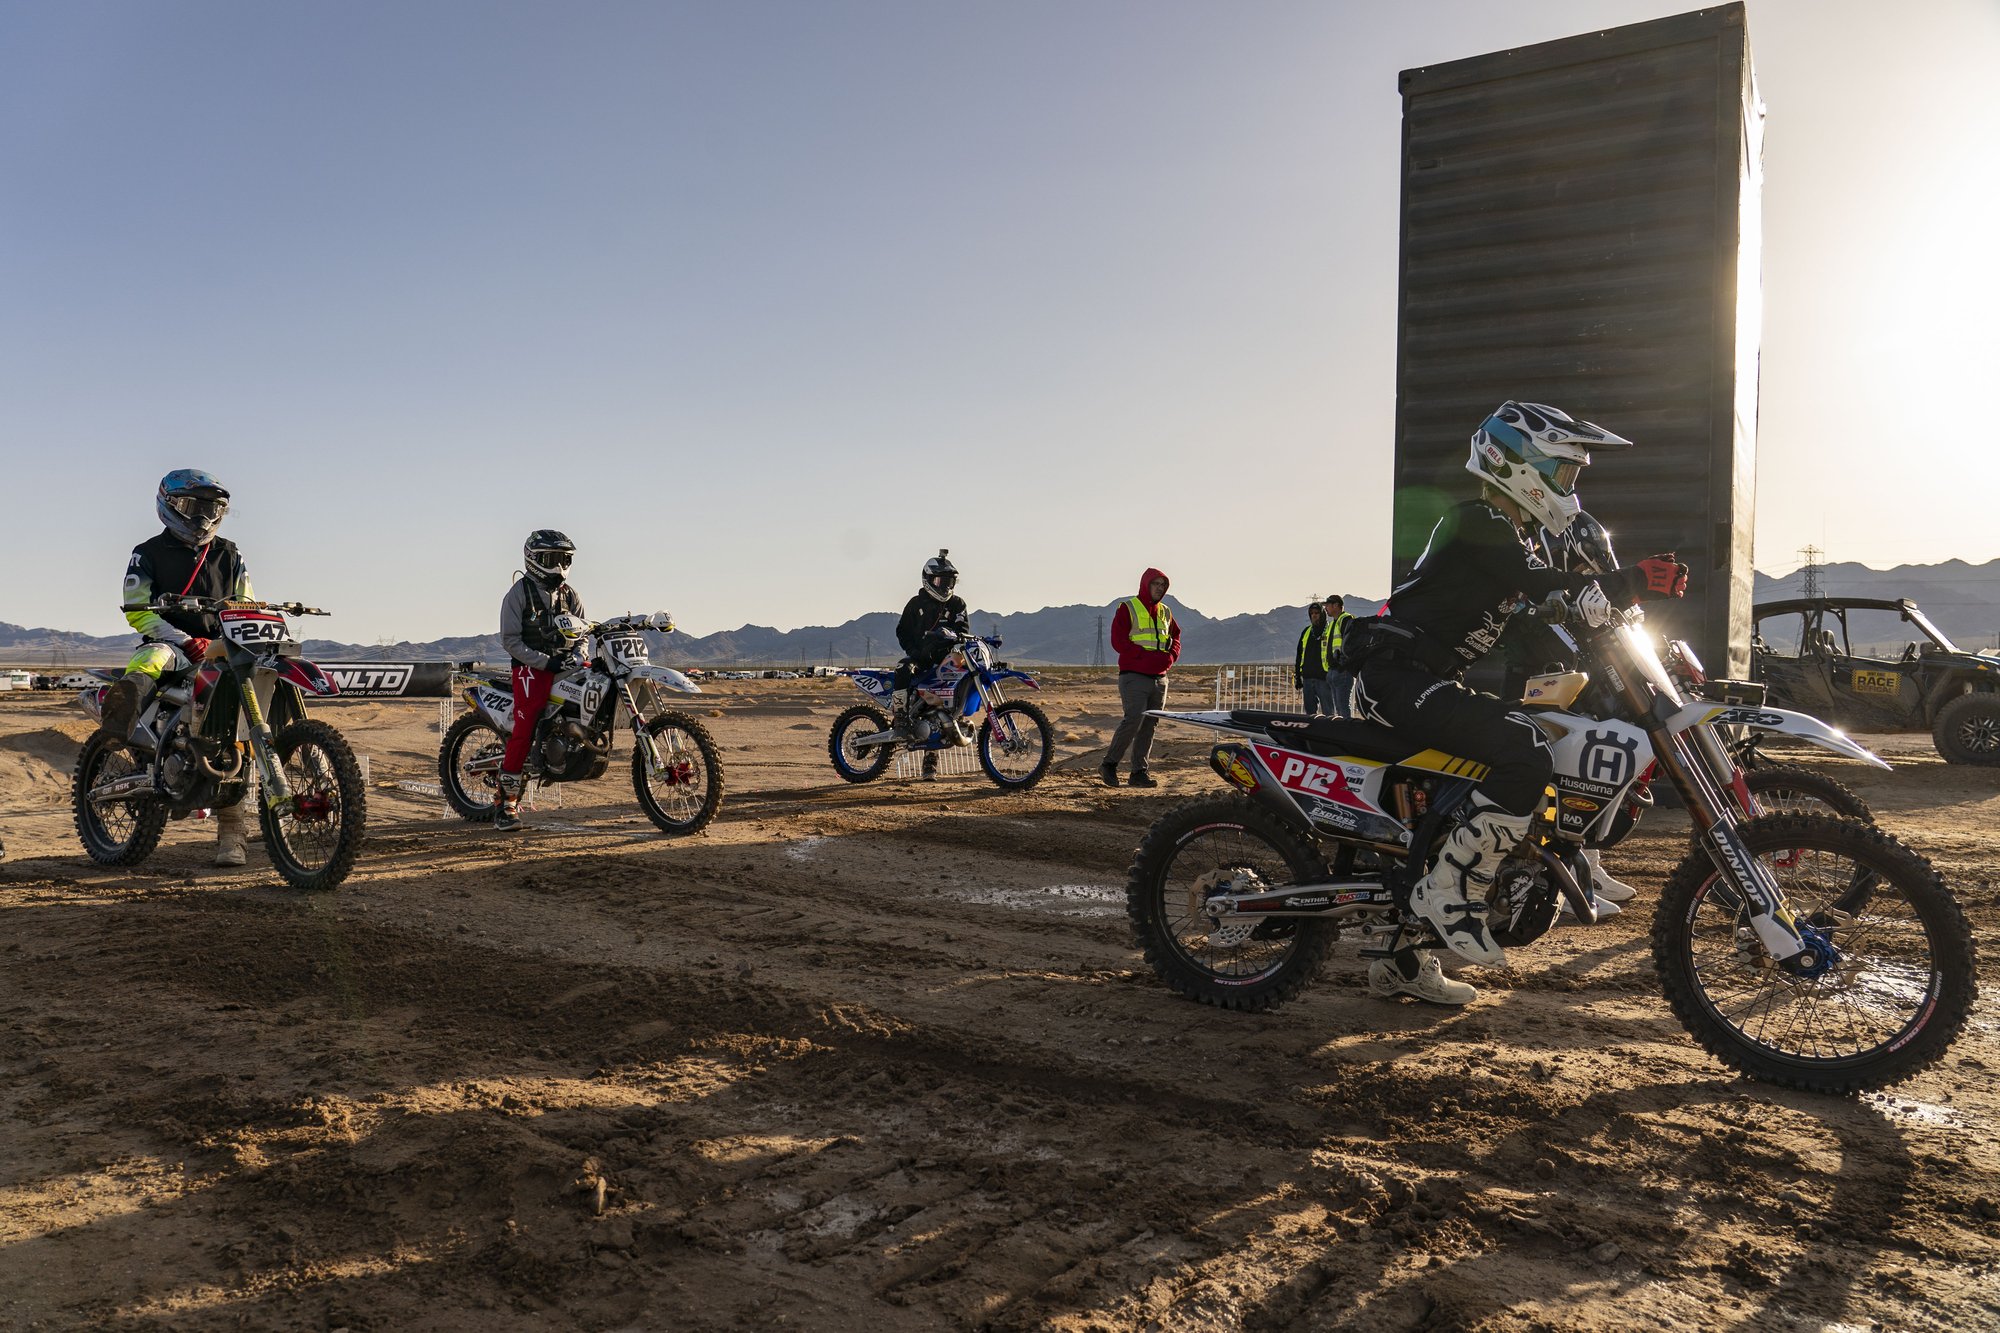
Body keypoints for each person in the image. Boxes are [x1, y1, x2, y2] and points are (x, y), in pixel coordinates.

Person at [1344, 402, 1686, 1004]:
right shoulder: (1480, 521)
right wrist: (1633, 579)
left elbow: (1542, 609)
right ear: (1516, 466)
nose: (1569, 488)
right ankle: (1449, 891)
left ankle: (1404, 957)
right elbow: (1551, 587)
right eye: (1563, 472)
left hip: (1416, 679)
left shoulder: (1508, 536)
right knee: (1526, 748)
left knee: (1464, 789)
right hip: (1395, 680)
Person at [100, 470, 258, 867]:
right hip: (169, 641)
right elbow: (136, 608)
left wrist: (241, 631)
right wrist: (183, 639)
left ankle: (232, 838)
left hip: (220, 649)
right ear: (169, 505)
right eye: (193, 506)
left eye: (212, 508)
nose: (203, 517)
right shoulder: (148, 552)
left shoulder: (230, 553)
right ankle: (122, 713)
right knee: (153, 657)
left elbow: (246, 604)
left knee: (234, 736)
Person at [496, 529, 587, 832]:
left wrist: (579, 654)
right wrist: (545, 662)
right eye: (552, 559)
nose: (559, 566)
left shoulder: (571, 595)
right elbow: (510, 640)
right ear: (534, 559)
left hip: (565, 666)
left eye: (564, 559)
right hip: (530, 668)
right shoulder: (518, 593)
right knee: (525, 726)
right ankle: (506, 804)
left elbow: (584, 633)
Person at [1101, 568, 1180, 788]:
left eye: (1163, 585)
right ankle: (1109, 764)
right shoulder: (1128, 608)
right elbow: (1118, 641)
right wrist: (1143, 657)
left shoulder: (1166, 612)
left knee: (1150, 724)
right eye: (1156, 584)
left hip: (1160, 678)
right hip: (1134, 676)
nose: (1159, 588)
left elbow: (1176, 637)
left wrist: (1171, 657)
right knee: (1133, 720)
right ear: (1146, 584)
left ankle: (1139, 772)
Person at [893, 551, 971, 747]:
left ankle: (957, 718)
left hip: (948, 658)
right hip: (921, 658)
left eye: (949, 582)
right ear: (927, 579)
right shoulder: (916, 604)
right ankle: (901, 718)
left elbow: (963, 631)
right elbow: (903, 631)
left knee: (950, 697)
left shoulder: (957, 604)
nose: (945, 586)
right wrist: (913, 651)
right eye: (939, 581)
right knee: (903, 668)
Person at [1294, 599, 1332, 714]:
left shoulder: (1330, 630)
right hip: (1308, 678)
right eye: (1312, 613)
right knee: (1310, 714)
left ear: (1322, 614)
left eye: (1317, 613)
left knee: (1328, 712)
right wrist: (1298, 677)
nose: (1314, 616)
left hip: (1324, 678)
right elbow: (1299, 654)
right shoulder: (1306, 632)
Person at [1322, 595, 1356, 719]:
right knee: (1339, 708)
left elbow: (1351, 643)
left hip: (1342, 671)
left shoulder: (1346, 619)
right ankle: (1343, 727)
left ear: (1336, 605)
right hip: (1333, 670)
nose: (1325, 608)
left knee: (1343, 707)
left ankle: (1346, 729)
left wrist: (1343, 664)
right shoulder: (1332, 624)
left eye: (1327, 605)